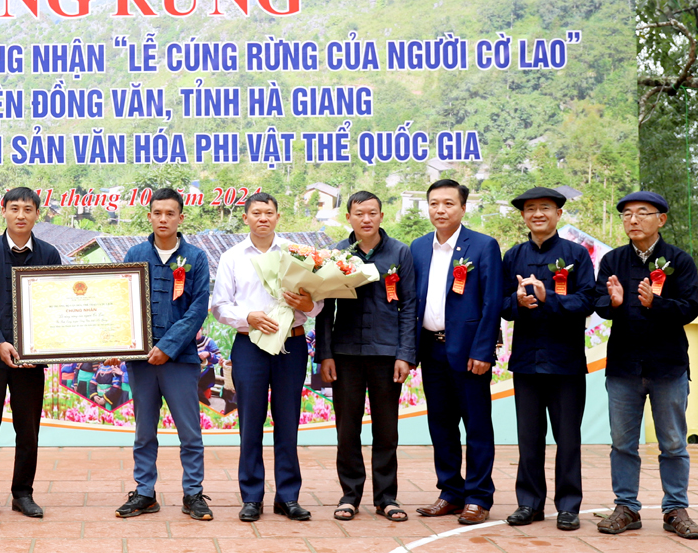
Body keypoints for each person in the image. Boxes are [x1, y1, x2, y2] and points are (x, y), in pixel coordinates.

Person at [594, 191, 698, 540]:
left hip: (667, 366)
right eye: (626, 215)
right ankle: (626, 508)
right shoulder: (612, 261)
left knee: (672, 443)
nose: (632, 220)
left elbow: (689, 308)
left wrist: (658, 303)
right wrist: (613, 302)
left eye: (641, 213)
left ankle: (675, 509)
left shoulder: (679, 261)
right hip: (624, 367)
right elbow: (600, 304)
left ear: (661, 219)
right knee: (623, 443)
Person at [212, 192, 320, 522]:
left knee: (288, 422)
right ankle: (252, 497)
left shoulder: (296, 254)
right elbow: (219, 305)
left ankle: (287, 497)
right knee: (251, 422)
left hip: (291, 346)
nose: (263, 218)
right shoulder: (232, 257)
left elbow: (318, 301)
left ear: (277, 217)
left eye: (269, 213)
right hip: (250, 346)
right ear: (245, 217)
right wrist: (250, 317)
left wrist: (307, 306)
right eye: (256, 212)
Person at [314, 191, 417, 523]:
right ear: (349, 218)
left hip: (387, 355)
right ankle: (350, 494)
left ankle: (387, 497)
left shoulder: (400, 253)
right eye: (359, 213)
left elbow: (409, 306)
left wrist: (405, 354)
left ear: (381, 216)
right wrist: (325, 354)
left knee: (386, 429)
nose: (366, 219)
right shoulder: (337, 254)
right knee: (347, 428)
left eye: (372, 213)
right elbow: (324, 309)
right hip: (345, 355)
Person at [115, 188, 213, 521]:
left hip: (179, 360)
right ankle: (144, 493)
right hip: (141, 361)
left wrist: (167, 348)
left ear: (181, 217)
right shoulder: (136, 253)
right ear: (149, 216)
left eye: (170, 213)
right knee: (144, 431)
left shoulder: (196, 258)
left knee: (189, 432)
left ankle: (194, 494)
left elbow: (198, 309)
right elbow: (123, 303)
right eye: (157, 213)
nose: (163, 219)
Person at [500, 188, 595, 532]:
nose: (537, 214)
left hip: (565, 361)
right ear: (523, 216)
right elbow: (500, 303)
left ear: (557, 214)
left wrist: (548, 297)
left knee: (568, 437)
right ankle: (529, 503)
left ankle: (568, 506)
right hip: (526, 360)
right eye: (530, 209)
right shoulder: (512, 255)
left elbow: (587, 301)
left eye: (545, 208)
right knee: (529, 437)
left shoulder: (576, 255)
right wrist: (518, 303)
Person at [410, 179, 503, 526]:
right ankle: (450, 491)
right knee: (442, 425)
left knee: (477, 425)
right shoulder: (418, 248)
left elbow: (493, 302)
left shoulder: (482, 246)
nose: (440, 210)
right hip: (431, 350)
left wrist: (483, 350)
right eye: (434, 203)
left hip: (469, 354)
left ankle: (478, 497)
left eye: (448, 203)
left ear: (463, 208)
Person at [0, 187, 62, 520]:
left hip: (30, 359)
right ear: (3, 211)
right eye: (15, 208)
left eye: (28, 209)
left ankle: (23, 493)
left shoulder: (49, 254)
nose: (21, 215)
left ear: (38, 214)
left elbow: (53, 302)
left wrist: (43, 344)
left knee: (28, 428)